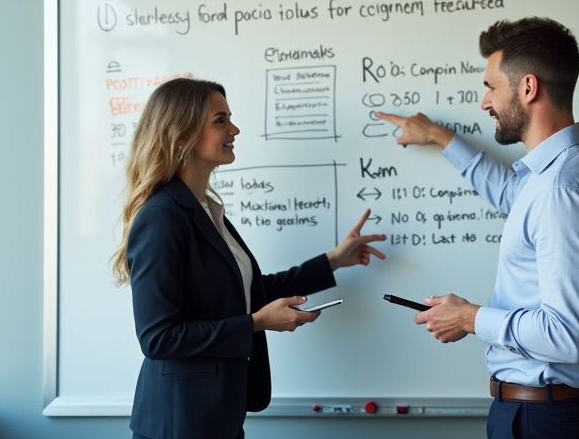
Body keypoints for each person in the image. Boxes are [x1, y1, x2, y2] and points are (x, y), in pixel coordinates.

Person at [376, 17, 579, 439]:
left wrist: (469, 318)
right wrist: (438, 136)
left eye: (491, 86)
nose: (484, 102)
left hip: (546, 422)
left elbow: (566, 336)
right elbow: (509, 195)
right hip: (536, 414)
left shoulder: (563, 189)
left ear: (528, 88)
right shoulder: (549, 177)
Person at [110, 77, 386, 439]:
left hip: (218, 416)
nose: (234, 129)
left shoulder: (206, 209)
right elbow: (159, 337)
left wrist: (333, 260)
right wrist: (256, 323)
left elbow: (249, 290)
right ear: (182, 134)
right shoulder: (162, 217)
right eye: (220, 120)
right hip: (179, 423)